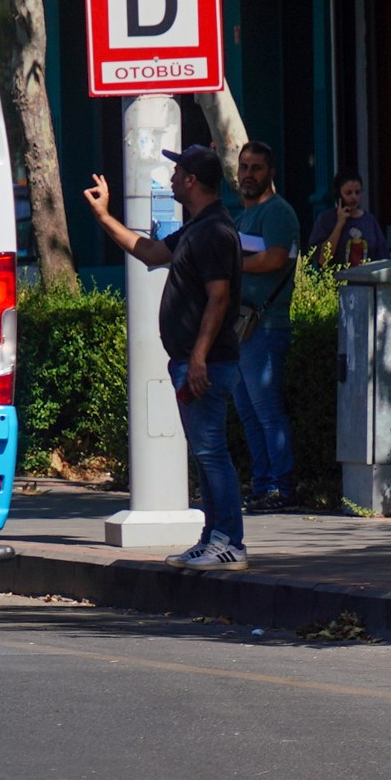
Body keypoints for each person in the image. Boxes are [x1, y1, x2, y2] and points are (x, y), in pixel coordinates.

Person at [81, 147, 249, 570]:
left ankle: (229, 541)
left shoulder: (213, 232)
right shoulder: (197, 228)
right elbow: (151, 252)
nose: (171, 178)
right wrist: (104, 216)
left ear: (192, 180)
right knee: (205, 451)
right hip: (194, 361)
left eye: (177, 172)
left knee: (212, 453)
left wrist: (198, 357)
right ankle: (213, 538)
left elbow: (219, 296)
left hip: (206, 364)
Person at [230, 140, 302, 510]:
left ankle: (281, 487)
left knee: (267, 410)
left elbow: (275, 259)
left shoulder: (278, 213)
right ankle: (261, 485)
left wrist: (231, 266)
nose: (248, 174)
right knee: (247, 411)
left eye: (256, 168)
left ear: (270, 173)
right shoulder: (241, 217)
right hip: (241, 329)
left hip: (266, 326)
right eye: (244, 167)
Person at [307, 172, 389, 268]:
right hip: (337, 280)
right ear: (338, 195)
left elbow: (384, 259)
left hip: (365, 280)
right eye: (348, 193)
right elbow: (322, 259)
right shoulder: (326, 220)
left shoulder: (369, 220)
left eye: (357, 192)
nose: (354, 197)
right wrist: (339, 224)